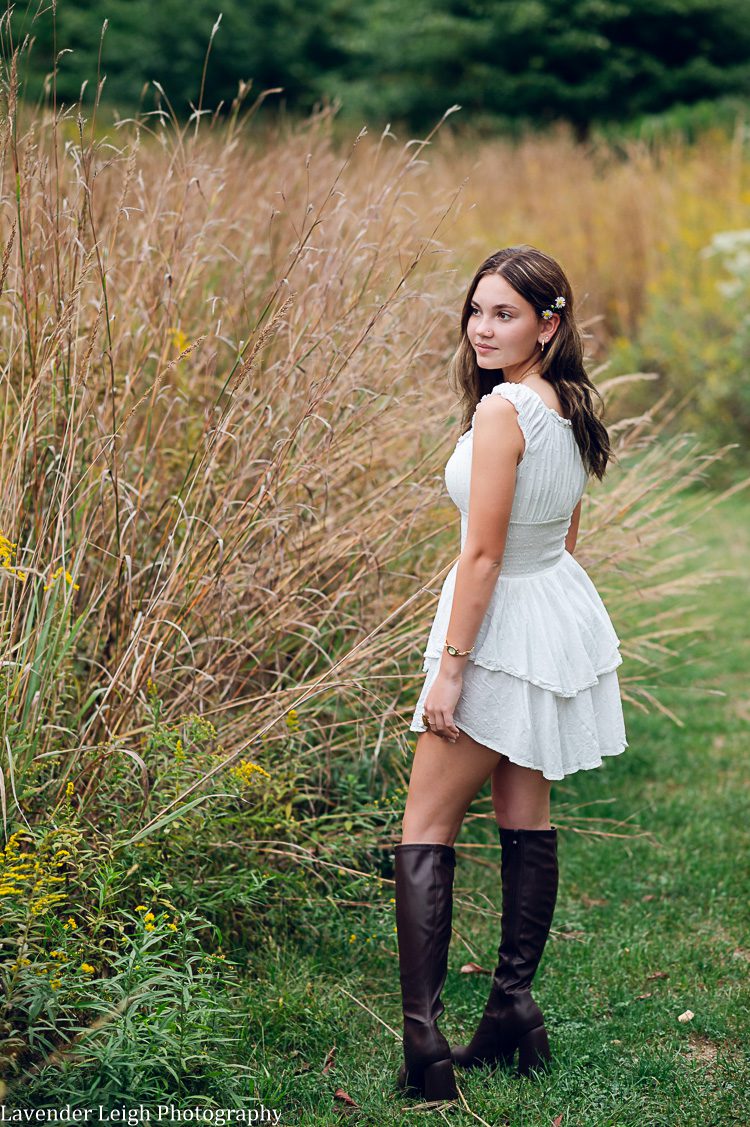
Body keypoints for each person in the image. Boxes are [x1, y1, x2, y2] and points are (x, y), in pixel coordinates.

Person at [394, 245, 627, 1103]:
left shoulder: (502, 414)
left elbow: (484, 554)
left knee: (425, 825)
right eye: (477, 310)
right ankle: (512, 1012)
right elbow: (563, 534)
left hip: (495, 627)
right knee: (525, 812)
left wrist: (451, 673)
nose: (484, 328)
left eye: (506, 314)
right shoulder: (565, 404)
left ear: (548, 324)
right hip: (549, 612)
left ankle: (426, 1049)